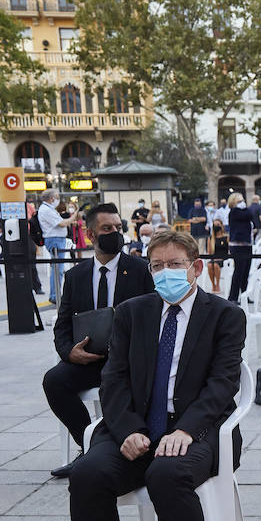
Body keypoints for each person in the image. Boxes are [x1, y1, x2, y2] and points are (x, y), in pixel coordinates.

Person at [66, 229, 246, 521]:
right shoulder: (131, 313)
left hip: (198, 431)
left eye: (175, 264)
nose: (166, 273)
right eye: (157, 265)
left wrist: (185, 430)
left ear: (196, 267)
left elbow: (223, 384)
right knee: (87, 474)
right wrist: (127, 429)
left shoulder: (224, 315)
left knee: (168, 474)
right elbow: (114, 379)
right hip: (137, 430)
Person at [45, 204, 154, 478]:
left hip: (128, 361)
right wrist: (70, 352)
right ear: (91, 234)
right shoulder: (75, 276)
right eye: (107, 229)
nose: (115, 233)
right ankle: (89, 444)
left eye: (118, 228)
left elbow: (154, 317)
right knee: (54, 381)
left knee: (116, 388)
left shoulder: (140, 270)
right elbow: (62, 325)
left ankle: (117, 448)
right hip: (89, 359)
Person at [34, 189, 76, 304]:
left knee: (58, 269)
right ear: (52, 198)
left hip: (57, 239)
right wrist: (74, 217)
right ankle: (54, 295)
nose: (57, 200)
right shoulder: (46, 210)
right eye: (56, 197)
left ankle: (56, 293)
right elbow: (62, 223)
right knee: (58, 269)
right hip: (55, 239)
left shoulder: (48, 209)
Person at [226, 193, 257, 303]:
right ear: (233, 203)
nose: (242, 203)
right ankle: (233, 297)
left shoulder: (243, 211)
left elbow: (250, 216)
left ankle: (244, 295)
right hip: (238, 246)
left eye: (243, 200)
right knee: (239, 271)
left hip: (247, 245)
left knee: (245, 272)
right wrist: (246, 208)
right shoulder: (234, 212)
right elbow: (249, 214)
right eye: (239, 201)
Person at [208, 219, 229, 293]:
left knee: (216, 265)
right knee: (210, 265)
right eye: (214, 225)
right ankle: (213, 285)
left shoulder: (226, 237)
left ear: (221, 225)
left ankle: (218, 285)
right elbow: (209, 253)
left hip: (224, 259)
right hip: (214, 258)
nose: (216, 227)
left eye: (218, 224)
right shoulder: (211, 238)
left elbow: (229, 251)